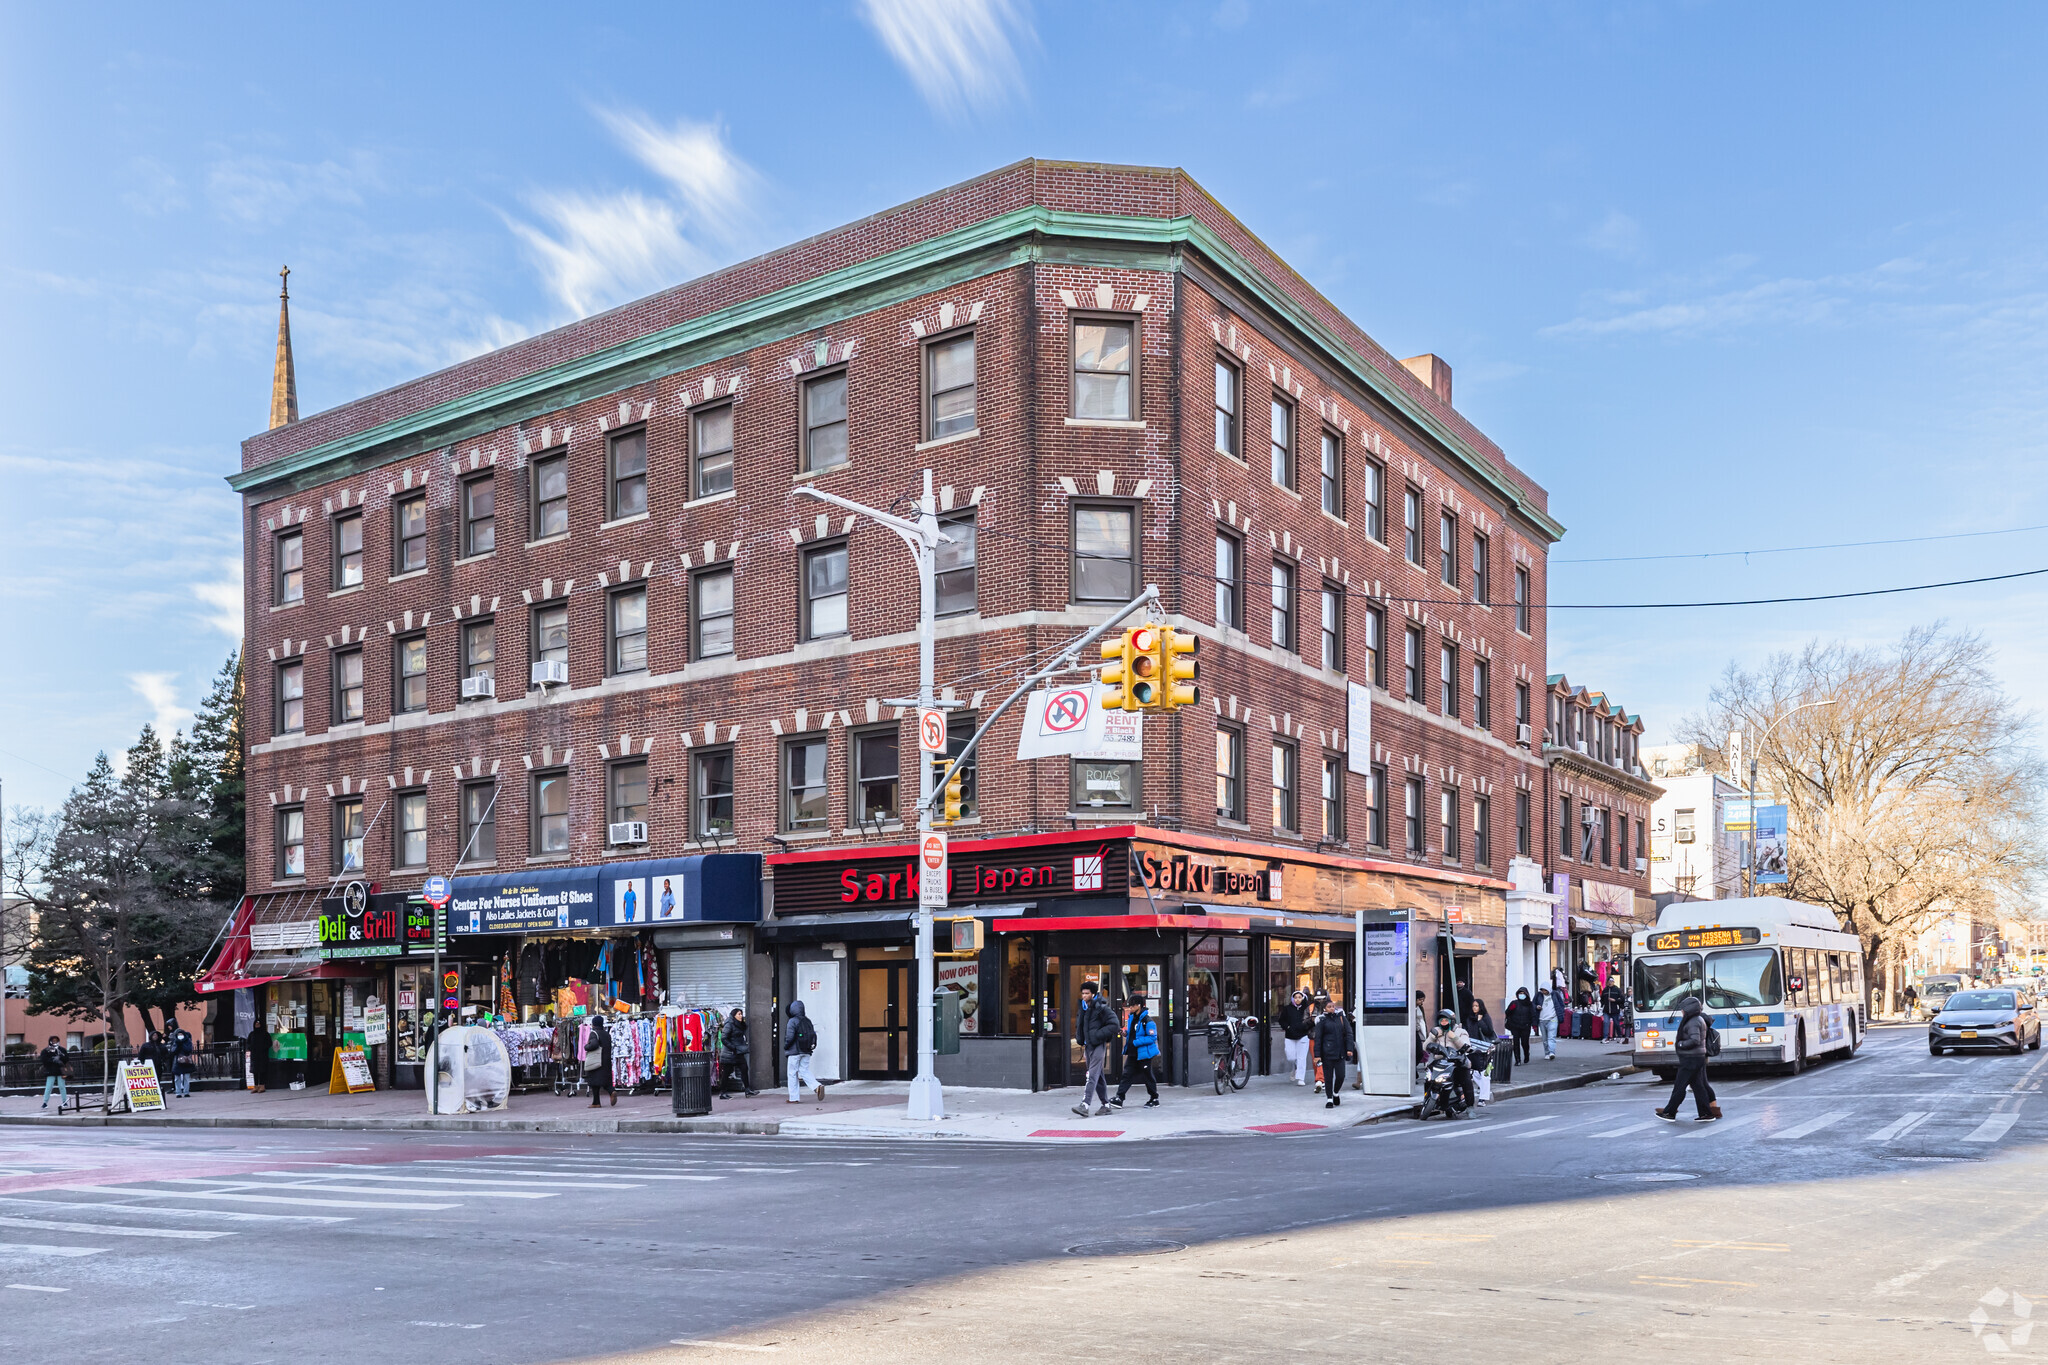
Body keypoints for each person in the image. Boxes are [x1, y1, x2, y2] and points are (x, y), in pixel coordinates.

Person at [1654, 996, 1721, 1123]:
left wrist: (1680, 1044)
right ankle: (1706, 1113)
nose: (1682, 1012)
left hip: (1691, 1058)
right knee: (1698, 1086)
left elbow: (1695, 1040)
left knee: (1680, 1086)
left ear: (1689, 1009)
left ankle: (1669, 1112)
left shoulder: (1693, 1021)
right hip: (1696, 1057)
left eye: (1683, 1009)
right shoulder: (1697, 1019)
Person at [1070, 981, 1118, 1117]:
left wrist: (1097, 1036)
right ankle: (1106, 1105)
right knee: (1098, 1076)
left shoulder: (1102, 1008)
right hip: (1088, 1046)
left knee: (1091, 1075)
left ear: (1093, 994)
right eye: (1083, 993)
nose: (1084, 996)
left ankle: (1085, 1104)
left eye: (1087, 993)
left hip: (1098, 1046)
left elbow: (1114, 1025)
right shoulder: (1083, 1008)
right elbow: (1080, 1026)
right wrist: (1080, 1039)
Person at [1109, 991, 1161, 1108]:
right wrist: (1125, 1033)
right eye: (1129, 1005)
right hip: (1133, 1053)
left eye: (1132, 1005)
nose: (1130, 1007)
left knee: (1147, 1075)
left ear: (1139, 1005)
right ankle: (1119, 1098)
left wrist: (1136, 1042)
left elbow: (1152, 1037)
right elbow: (1132, 1033)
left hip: (1144, 1053)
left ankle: (1154, 1098)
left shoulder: (1147, 1020)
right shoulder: (1132, 1018)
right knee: (1126, 1074)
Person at [1426, 1008, 1475, 1113]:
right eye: (1441, 1021)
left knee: (1466, 1081)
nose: (1444, 1023)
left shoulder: (1461, 1032)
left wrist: (1454, 1037)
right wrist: (1432, 1036)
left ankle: (1470, 1107)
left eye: (1446, 1021)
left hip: (1457, 1063)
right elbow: (1425, 1047)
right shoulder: (1437, 1031)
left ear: (1451, 1021)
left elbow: (1466, 1046)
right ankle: (1427, 1099)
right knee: (1429, 1079)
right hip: (1439, 1063)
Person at [1313, 1001, 1356, 1109]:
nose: (1332, 1008)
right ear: (1324, 1009)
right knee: (1328, 1077)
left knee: (1341, 1076)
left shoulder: (1341, 1017)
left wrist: (1349, 1048)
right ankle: (1329, 1099)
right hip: (1327, 1053)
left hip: (1340, 1052)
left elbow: (1349, 1033)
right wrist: (1317, 1055)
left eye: (1333, 1006)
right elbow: (1318, 1039)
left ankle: (1336, 1092)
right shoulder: (1322, 1020)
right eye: (1329, 1007)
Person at [784, 1000, 823, 1104]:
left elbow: (789, 1037)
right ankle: (817, 1086)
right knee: (804, 1071)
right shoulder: (807, 1021)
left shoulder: (792, 1021)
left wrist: (786, 1046)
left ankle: (794, 1098)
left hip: (794, 1051)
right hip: (806, 1050)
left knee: (792, 1073)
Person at [1279, 989, 1314, 1086]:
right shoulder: (1287, 1009)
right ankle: (1294, 1067)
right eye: (1296, 997)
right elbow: (1282, 1020)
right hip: (1290, 1036)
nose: (1298, 999)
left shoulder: (1306, 1009)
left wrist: (1305, 1027)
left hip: (1303, 1036)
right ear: (1292, 999)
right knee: (1291, 1057)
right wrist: (1288, 1027)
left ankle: (1300, 1078)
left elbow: (1311, 1020)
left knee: (1301, 1058)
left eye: (1299, 997)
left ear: (1303, 998)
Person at [719, 1007, 756, 1097]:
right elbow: (724, 1038)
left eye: (741, 1014)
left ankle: (747, 1090)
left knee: (744, 1069)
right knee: (727, 1073)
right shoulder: (729, 1024)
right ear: (734, 1015)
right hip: (730, 1053)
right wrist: (733, 1048)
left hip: (738, 1053)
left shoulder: (739, 1024)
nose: (741, 1016)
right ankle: (723, 1093)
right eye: (739, 1014)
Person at [584, 1016, 616, 1108]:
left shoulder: (594, 1033)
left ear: (594, 1024)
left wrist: (586, 1047)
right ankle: (611, 1091)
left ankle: (596, 1102)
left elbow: (594, 1044)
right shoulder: (606, 1034)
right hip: (606, 1061)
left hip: (596, 1061)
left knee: (594, 1081)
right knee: (606, 1081)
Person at [1504, 988, 1536, 1065]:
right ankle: (1517, 1060)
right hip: (1515, 1026)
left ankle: (1526, 1054)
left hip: (1525, 1026)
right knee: (1516, 1043)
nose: (1521, 995)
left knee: (1524, 1043)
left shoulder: (1530, 1004)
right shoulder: (1514, 1003)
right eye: (1520, 993)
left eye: (1523, 993)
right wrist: (1511, 1009)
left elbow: (1533, 1015)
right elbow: (1507, 1013)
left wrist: (1534, 1025)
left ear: (1526, 995)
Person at [38, 1036, 68, 1109]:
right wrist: (53, 1060)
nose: (54, 1042)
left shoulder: (61, 1050)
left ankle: (64, 1102)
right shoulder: (46, 1050)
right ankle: (45, 1103)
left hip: (60, 1071)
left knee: (62, 1087)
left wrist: (60, 1058)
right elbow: (44, 1060)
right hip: (51, 1071)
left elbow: (66, 1059)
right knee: (48, 1087)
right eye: (53, 1040)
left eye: (56, 1040)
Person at [170, 1025, 197, 1099]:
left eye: (181, 1034)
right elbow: (173, 1051)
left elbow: (189, 1050)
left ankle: (186, 1092)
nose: (180, 1036)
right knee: (177, 1078)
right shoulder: (175, 1042)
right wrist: (178, 1044)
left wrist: (182, 1044)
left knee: (186, 1078)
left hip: (186, 1061)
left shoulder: (188, 1041)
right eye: (179, 1035)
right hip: (177, 1062)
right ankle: (178, 1092)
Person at [1537, 986, 1559, 1060]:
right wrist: (1537, 1007)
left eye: (1545, 990)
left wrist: (1560, 1015)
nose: (1544, 992)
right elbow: (1533, 1004)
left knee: (1551, 1036)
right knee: (1544, 1038)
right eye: (1542, 990)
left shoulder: (1555, 994)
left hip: (1553, 1018)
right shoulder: (1538, 995)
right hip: (1542, 1019)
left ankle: (1552, 1052)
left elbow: (1560, 1004)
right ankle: (1547, 1053)